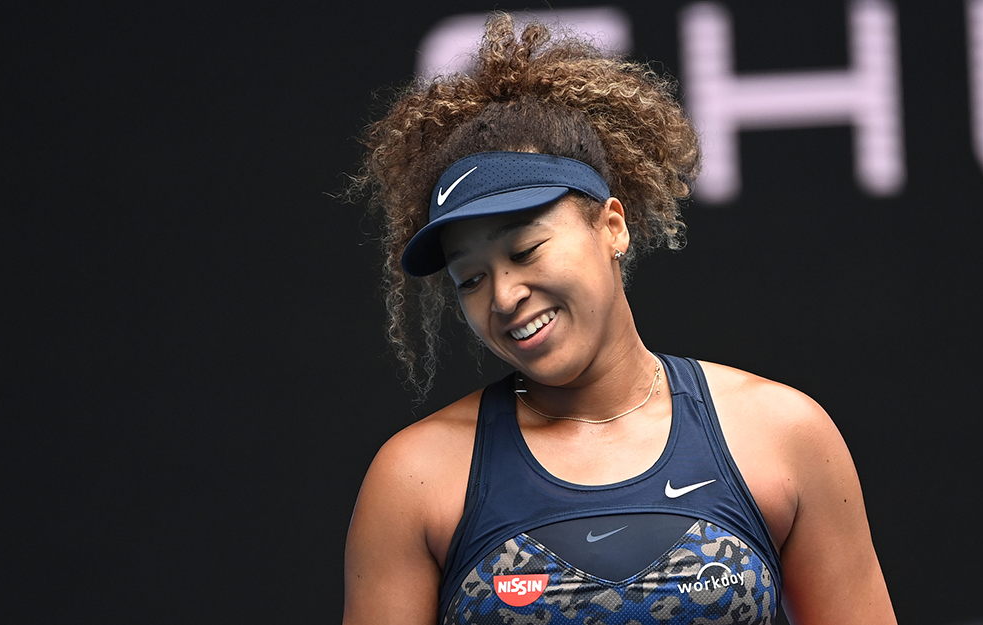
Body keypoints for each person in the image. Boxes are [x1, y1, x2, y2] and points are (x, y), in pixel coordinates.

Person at [343, 14, 896, 625]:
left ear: (612, 227)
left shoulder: (783, 435)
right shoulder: (414, 478)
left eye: (525, 251)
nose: (502, 297)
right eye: (469, 279)